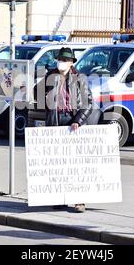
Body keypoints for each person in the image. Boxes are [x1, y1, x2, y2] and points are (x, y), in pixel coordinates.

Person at [44, 47, 93, 213]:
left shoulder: (79, 78)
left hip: (72, 122)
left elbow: (88, 103)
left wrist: (78, 121)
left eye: (65, 60)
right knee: (58, 163)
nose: (62, 62)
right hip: (55, 122)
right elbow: (38, 96)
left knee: (76, 164)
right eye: (60, 59)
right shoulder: (50, 76)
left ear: (71, 62)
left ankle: (79, 200)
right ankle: (60, 198)